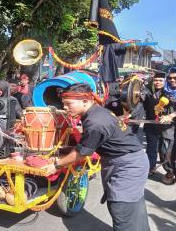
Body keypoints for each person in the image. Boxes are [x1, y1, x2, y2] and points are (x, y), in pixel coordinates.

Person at [43, 84, 150, 231]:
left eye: (69, 104)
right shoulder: (97, 112)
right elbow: (87, 144)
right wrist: (67, 150)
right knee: (135, 210)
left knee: (122, 209)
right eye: (64, 104)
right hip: (126, 160)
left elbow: (83, 152)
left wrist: (56, 165)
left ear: (85, 101)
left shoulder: (95, 121)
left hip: (128, 166)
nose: (65, 108)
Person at [141, 72, 174, 182]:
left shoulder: (172, 91)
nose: (158, 82)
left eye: (160, 80)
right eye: (156, 80)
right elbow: (140, 101)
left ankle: (170, 171)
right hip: (151, 124)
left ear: (165, 81)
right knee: (151, 148)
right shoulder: (147, 90)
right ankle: (151, 167)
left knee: (165, 150)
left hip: (167, 126)